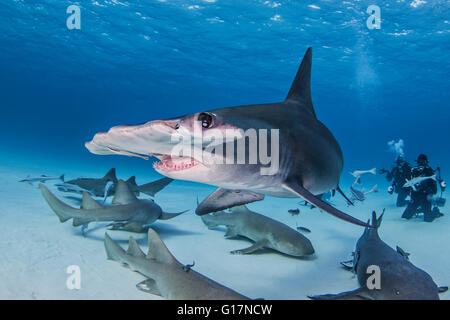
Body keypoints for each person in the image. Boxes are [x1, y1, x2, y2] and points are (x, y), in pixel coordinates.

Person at [401, 154, 443, 222]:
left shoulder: (430, 172)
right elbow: (408, 183)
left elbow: (434, 190)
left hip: (425, 198)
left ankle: (436, 211)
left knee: (428, 219)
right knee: (405, 217)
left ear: (426, 162)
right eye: (419, 162)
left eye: (423, 162)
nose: (420, 164)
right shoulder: (413, 171)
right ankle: (418, 210)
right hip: (415, 197)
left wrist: (426, 190)